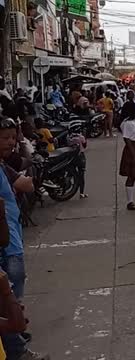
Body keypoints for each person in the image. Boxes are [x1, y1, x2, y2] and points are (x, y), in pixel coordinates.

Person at [0, 118, 47, 360]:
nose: (10, 141)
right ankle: (18, 350)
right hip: (7, 248)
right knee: (10, 303)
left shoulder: (3, 166)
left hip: (11, 242)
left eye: (12, 136)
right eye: (4, 137)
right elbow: (26, 185)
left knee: (11, 303)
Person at [69, 130, 88, 198]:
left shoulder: (69, 137)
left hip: (72, 157)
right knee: (81, 175)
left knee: (71, 173)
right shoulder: (81, 137)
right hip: (80, 156)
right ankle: (81, 193)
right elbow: (85, 146)